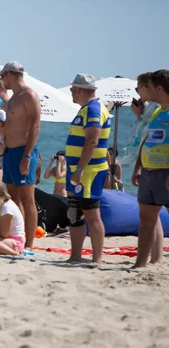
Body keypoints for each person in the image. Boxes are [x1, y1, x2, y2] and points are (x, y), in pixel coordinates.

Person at [0, 61, 40, 250]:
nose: (3, 81)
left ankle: (30, 243)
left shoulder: (28, 95)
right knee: (13, 198)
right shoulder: (13, 99)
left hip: (24, 151)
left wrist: (27, 155)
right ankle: (19, 238)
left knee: (27, 199)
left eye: (3, 77)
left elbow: (35, 126)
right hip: (9, 151)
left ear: (9, 75)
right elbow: (10, 127)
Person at [65, 73, 111, 264]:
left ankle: (97, 258)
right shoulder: (85, 109)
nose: (71, 94)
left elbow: (92, 141)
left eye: (71, 90)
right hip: (77, 169)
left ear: (78, 89)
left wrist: (79, 170)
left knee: (92, 213)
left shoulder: (94, 109)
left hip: (89, 171)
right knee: (74, 213)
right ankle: (75, 256)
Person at [132, 69, 169, 269]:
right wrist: (138, 167)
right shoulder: (157, 111)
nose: (147, 90)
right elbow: (147, 139)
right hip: (149, 171)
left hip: (165, 171)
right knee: (146, 219)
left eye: (150, 86)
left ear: (159, 88)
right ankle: (140, 264)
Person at [124, 73, 158, 164]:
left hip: (147, 158)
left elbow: (150, 130)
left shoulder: (156, 105)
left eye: (137, 89)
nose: (137, 92)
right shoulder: (150, 106)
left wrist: (139, 115)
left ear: (145, 87)